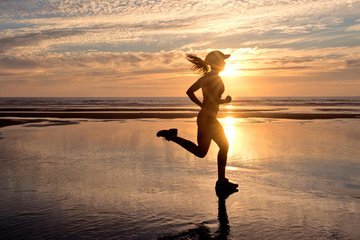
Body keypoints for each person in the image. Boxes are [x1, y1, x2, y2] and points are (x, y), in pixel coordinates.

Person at [156, 50, 238, 190]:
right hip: (209, 119)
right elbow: (212, 98)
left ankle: (172, 136)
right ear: (217, 62)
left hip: (204, 118)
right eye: (223, 60)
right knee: (224, 146)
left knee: (201, 152)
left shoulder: (205, 78)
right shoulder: (215, 78)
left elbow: (191, 92)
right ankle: (221, 181)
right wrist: (224, 101)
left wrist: (203, 105)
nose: (225, 63)